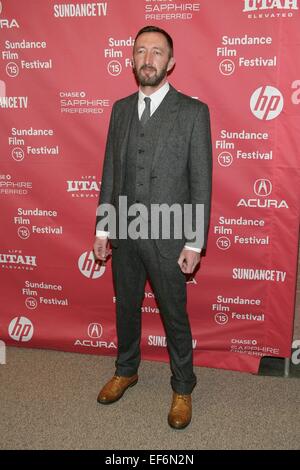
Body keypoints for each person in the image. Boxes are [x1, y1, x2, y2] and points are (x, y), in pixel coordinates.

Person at [93, 25, 212, 429]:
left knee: (174, 314)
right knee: (126, 308)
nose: (148, 58)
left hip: (169, 233)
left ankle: (183, 386)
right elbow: (111, 171)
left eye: (157, 52)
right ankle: (127, 369)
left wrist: (195, 240)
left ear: (171, 62)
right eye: (141, 51)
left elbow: (201, 181)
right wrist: (103, 228)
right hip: (124, 233)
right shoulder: (120, 109)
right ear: (131, 60)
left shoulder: (194, 113)